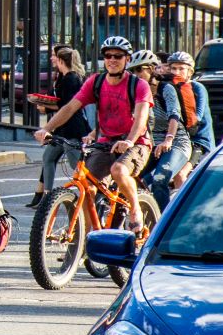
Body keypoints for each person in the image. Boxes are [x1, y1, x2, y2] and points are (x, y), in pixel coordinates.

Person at [33, 35, 152, 232]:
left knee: (118, 170)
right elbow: (70, 108)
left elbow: (141, 118)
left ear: (127, 60)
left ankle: (136, 209)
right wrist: (47, 129)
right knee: (86, 186)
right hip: (105, 142)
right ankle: (88, 238)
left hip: (136, 142)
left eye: (118, 56)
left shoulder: (138, 85)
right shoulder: (95, 82)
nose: (112, 60)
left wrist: (129, 141)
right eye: (108, 56)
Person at [143, 51, 212, 208]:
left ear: (190, 72)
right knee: (147, 178)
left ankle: (184, 212)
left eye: (181, 68)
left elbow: (197, 118)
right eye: (173, 68)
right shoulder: (168, 87)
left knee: (180, 175)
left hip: (198, 141)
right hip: (176, 138)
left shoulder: (196, 87)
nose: (176, 72)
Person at [31, 45, 88, 208]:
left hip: (73, 128)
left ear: (61, 60)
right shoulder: (63, 77)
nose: (51, 59)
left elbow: (68, 106)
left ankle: (91, 192)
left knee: (75, 165)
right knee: (48, 158)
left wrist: (46, 106)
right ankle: (47, 198)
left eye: (54, 56)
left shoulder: (72, 78)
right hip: (61, 129)